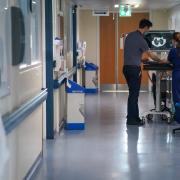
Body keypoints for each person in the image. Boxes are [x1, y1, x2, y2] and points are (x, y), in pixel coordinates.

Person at [123, 19, 164, 126]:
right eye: (148, 29)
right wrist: (161, 60)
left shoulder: (129, 36)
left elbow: (131, 53)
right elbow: (151, 55)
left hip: (126, 68)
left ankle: (132, 117)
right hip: (134, 70)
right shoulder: (141, 39)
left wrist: (140, 60)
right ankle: (132, 120)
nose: (147, 31)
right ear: (145, 27)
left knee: (132, 93)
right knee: (134, 95)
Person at [167, 32, 180, 123]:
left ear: (174, 41)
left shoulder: (173, 51)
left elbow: (168, 61)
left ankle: (178, 118)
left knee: (177, 97)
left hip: (177, 75)